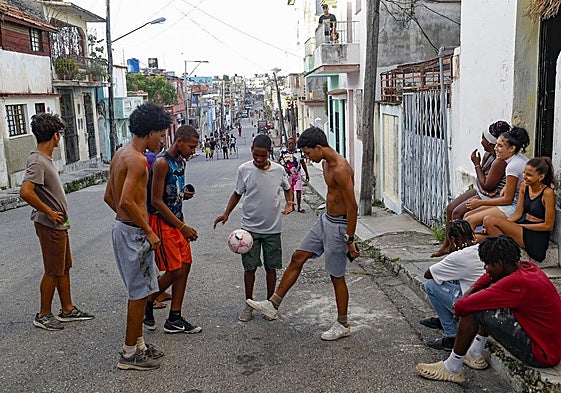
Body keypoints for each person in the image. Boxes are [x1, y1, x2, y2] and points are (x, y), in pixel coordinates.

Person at [246, 126, 360, 341]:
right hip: (325, 220)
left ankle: (342, 323)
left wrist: (350, 239)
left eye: (308, 153)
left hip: (339, 226)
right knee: (298, 256)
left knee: (336, 276)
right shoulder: (325, 162)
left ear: (318, 147)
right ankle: (273, 304)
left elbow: (352, 206)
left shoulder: (341, 169)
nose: (307, 158)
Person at [416, 235, 561, 384]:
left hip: (541, 353)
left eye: (487, 264)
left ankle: (452, 368)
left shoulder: (516, 283)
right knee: (483, 299)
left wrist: (465, 299)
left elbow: (462, 306)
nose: (485, 268)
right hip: (550, 345)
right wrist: (472, 289)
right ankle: (473, 353)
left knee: (474, 309)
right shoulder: (526, 267)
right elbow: (487, 278)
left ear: (499, 263)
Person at [104, 102, 172, 371]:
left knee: (143, 291)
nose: (163, 139)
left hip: (124, 229)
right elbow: (125, 200)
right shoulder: (138, 160)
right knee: (137, 295)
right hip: (134, 233)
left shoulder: (121, 153)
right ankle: (129, 353)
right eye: (161, 134)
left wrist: (126, 221)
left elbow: (109, 197)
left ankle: (140, 345)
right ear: (150, 131)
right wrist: (146, 230)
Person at [20, 113, 94, 331]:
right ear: (55, 136)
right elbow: (25, 191)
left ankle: (67, 309)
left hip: (59, 224)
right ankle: (43, 314)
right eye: (59, 134)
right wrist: (50, 212)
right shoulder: (37, 160)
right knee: (53, 269)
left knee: (64, 267)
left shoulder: (44, 160)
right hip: (50, 224)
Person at [213, 134, 293, 322]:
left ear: (268, 153)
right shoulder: (244, 169)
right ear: (251, 151)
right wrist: (226, 213)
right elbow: (237, 193)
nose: (258, 159)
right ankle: (248, 304)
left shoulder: (279, 170)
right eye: (256, 155)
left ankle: (270, 305)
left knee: (271, 268)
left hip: (273, 229)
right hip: (249, 230)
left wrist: (290, 203)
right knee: (250, 268)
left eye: (263, 156)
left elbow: (288, 187)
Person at [142, 125, 202, 334]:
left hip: (177, 219)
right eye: (191, 147)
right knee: (174, 270)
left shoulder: (181, 161)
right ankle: (145, 302)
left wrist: (181, 194)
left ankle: (174, 317)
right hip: (162, 222)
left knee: (185, 267)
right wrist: (183, 227)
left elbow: (170, 191)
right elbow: (156, 201)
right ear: (178, 142)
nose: (193, 151)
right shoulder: (161, 163)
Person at [431, 121, 510, 257]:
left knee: (457, 213)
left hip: (491, 196)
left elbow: (486, 184)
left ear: (491, 143)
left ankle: (457, 250)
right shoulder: (488, 155)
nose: (481, 142)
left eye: (483, 139)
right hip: (483, 192)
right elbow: (482, 181)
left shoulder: (499, 161)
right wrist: (481, 180)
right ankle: (447, 245)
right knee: (450, 208)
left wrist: (476, 165)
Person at [421, 220, 483, 351]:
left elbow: (428, 274)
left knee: (431, 285)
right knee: (449, 277)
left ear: (453, 239)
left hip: (473, 305)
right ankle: (445, 320)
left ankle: (451, 335)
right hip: (481, 297)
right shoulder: (480, 247)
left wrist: (451, 252)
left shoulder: (458, 257)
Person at [481, 157, 556, 262]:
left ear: (541, 177)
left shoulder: (548, 193)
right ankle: (506, 253)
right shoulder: (524, 186)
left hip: (536, 236)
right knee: (479, 237)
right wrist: (505, 225)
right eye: (524, 173)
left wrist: (519, 226)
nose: (524, 177)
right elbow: (518, 213)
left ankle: (508, 257)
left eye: (529, 175)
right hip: (522, 227)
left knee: (488, 220)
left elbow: (548, 225)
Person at [463, 126, 530, 232]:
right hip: (516, 202)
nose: (495, 148)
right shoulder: (518, 159)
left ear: (512, 149)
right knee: (467, 215)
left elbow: (508, 200)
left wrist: (480, 203)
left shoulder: (512, 166)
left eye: (500, 146)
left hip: (516, 207)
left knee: (470, 220)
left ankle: (474, 247)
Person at [278, 137, 310, 213]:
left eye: (292, 143)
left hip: (297, 174)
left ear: (295, 144)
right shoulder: (283, 152)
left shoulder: (299, 152)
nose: (291, 145)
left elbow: (303, 163)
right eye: (289, 144)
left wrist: (306, 173)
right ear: (287, 144)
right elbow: (279, 162)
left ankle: (299, 207)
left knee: (298, 190)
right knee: (290, 191)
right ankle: (291, 206)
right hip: (288, 175)